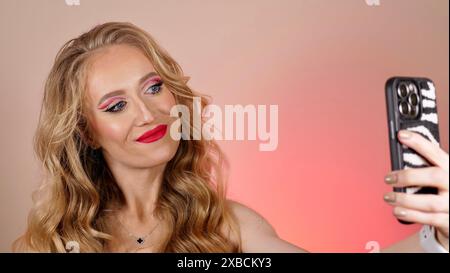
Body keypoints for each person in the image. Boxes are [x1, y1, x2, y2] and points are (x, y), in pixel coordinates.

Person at [13, 22, 449, 253]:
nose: (148, 114)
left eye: (152, 88)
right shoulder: (48, 243)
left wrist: (440, 238)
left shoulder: (226, 226)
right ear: (87, 132)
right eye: (115, 106)